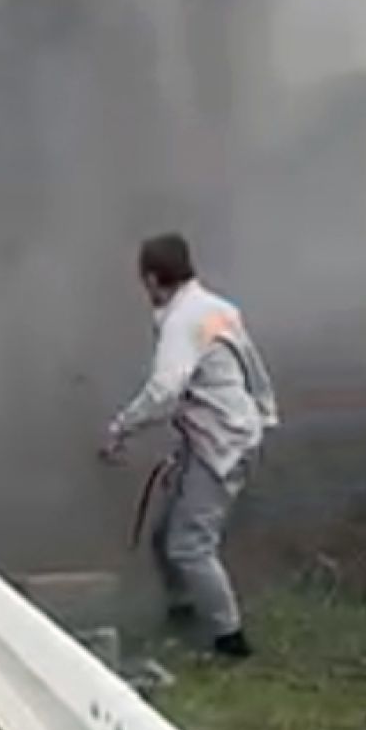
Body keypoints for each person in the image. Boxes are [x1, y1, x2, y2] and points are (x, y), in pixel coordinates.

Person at [101, 232, 278, 659]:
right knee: (166, 535)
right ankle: (183, 613)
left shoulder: (182, 321)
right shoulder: (217, 309)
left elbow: (165, 390)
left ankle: (230, 642)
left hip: (223, 444)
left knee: (189, 544)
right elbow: (249, 367)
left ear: (152, 279)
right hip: (227, 436)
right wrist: (264, 412)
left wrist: (119, 428)